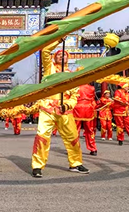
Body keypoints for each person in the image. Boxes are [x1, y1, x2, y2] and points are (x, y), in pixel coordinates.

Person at [31, 40, 87, 178]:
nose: (62, 56)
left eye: (65, 55)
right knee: (42, 137)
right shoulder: (50, 69)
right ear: (55, 57)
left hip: (64, 110)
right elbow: (44, 51)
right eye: (59, 55)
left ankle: (76, 163)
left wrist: (67, 105)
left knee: (73, 137)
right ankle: (37, 165)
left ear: (69, 58)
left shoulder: (71, 76)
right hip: (47, 107)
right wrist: (58, 40)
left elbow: (74, 97)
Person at [73, 83, 98, 155]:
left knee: (75, 130)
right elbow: (93, 100)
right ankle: (93, 148)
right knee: (90, 130)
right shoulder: (92, 88)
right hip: (88, 108)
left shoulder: (76, 87)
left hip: (77, 108)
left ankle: (75, 149)